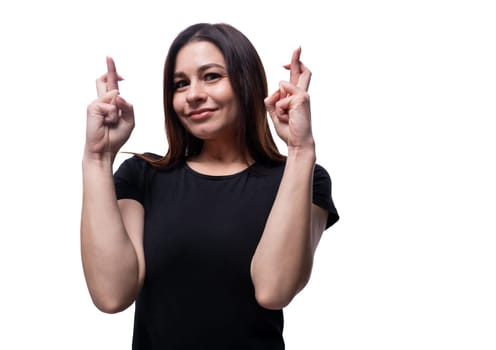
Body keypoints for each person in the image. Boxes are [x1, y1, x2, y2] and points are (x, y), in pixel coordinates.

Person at [81, 22, 339, 349]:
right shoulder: (142, 176)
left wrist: (301, 151)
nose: (193, 95)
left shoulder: (303, 179)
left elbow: (274, 290)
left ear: (246, 80)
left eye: (212, 76)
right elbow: (111, 295)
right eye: (179, 84)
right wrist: (97, 158)